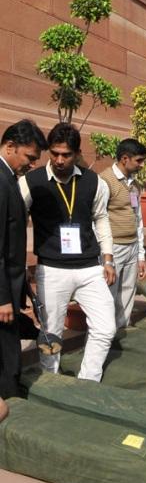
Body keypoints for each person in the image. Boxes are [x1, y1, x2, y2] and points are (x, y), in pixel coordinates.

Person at [19, 123, 117, 381]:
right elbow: (15, 220)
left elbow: (102, 219)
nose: (59, 160)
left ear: (77, 153)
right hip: (52, 270)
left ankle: (88, 381)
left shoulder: (94, 181)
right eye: (54, 153)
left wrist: (108, 259)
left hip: (90, 268)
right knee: (51, 334)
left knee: (106, 327)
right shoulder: (31, 181)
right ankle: (50, 380)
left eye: (66, 155)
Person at [0, 119, 47, 398]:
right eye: (29, 157)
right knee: (6, 357)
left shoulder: (9, 179)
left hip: (10, 284)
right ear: (9, 147)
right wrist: (3, 297)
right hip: (2, 292)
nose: (31, 164)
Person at [99, 139, 146, 329]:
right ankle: (105, 337)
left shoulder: (134, 185)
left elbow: (138, 218)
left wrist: (141, 254)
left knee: (128, 293)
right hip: (114, 248)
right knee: (108, 294)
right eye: (139, 160)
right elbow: (98, 218)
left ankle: (122, 332)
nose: (142, 164)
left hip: (132, 246)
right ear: (125, 159)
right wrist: (106, 257)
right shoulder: (105, 181)